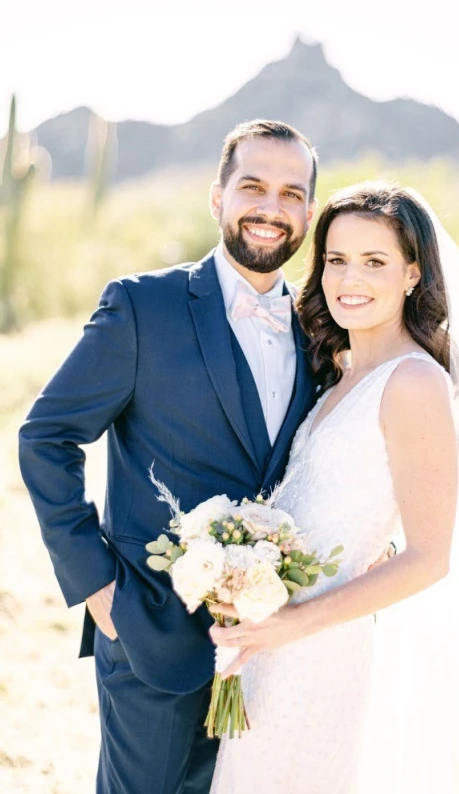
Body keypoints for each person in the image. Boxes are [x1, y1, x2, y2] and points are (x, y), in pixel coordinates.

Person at [208, 183, 459, 794]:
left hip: (317, 651)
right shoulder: (345, 374)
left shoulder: (412, 383)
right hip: (272, 644)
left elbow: (429, 559)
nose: (349, 278)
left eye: (374, 261)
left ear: (412, 273)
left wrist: (290, 626)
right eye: (336, 259)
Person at [18, 120, 321, 793]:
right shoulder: (142, 306)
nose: (271, 208)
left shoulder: (320, 328)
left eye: (290, 193)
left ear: (307, 212)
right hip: (150, 630)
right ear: (217, 197)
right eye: (252, 186)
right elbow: (46, 437)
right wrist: (97, 586)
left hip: (276, 649)